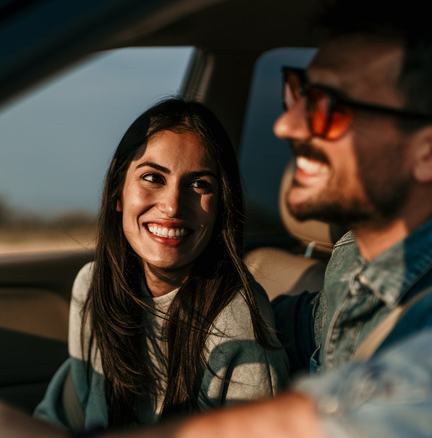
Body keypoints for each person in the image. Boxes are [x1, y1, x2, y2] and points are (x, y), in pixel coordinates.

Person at [0, 0, 432, 437]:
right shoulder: (353, 262)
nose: (286, 125)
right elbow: (307, 335)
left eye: (328, 109)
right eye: (298, 94)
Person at [32, 98, 289, 432]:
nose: (171, 206)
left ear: (222, 207)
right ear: (118, 191)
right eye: (153, 177)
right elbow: (63, 417)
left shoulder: (238, 324)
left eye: (199, 184)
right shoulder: (93, 285)